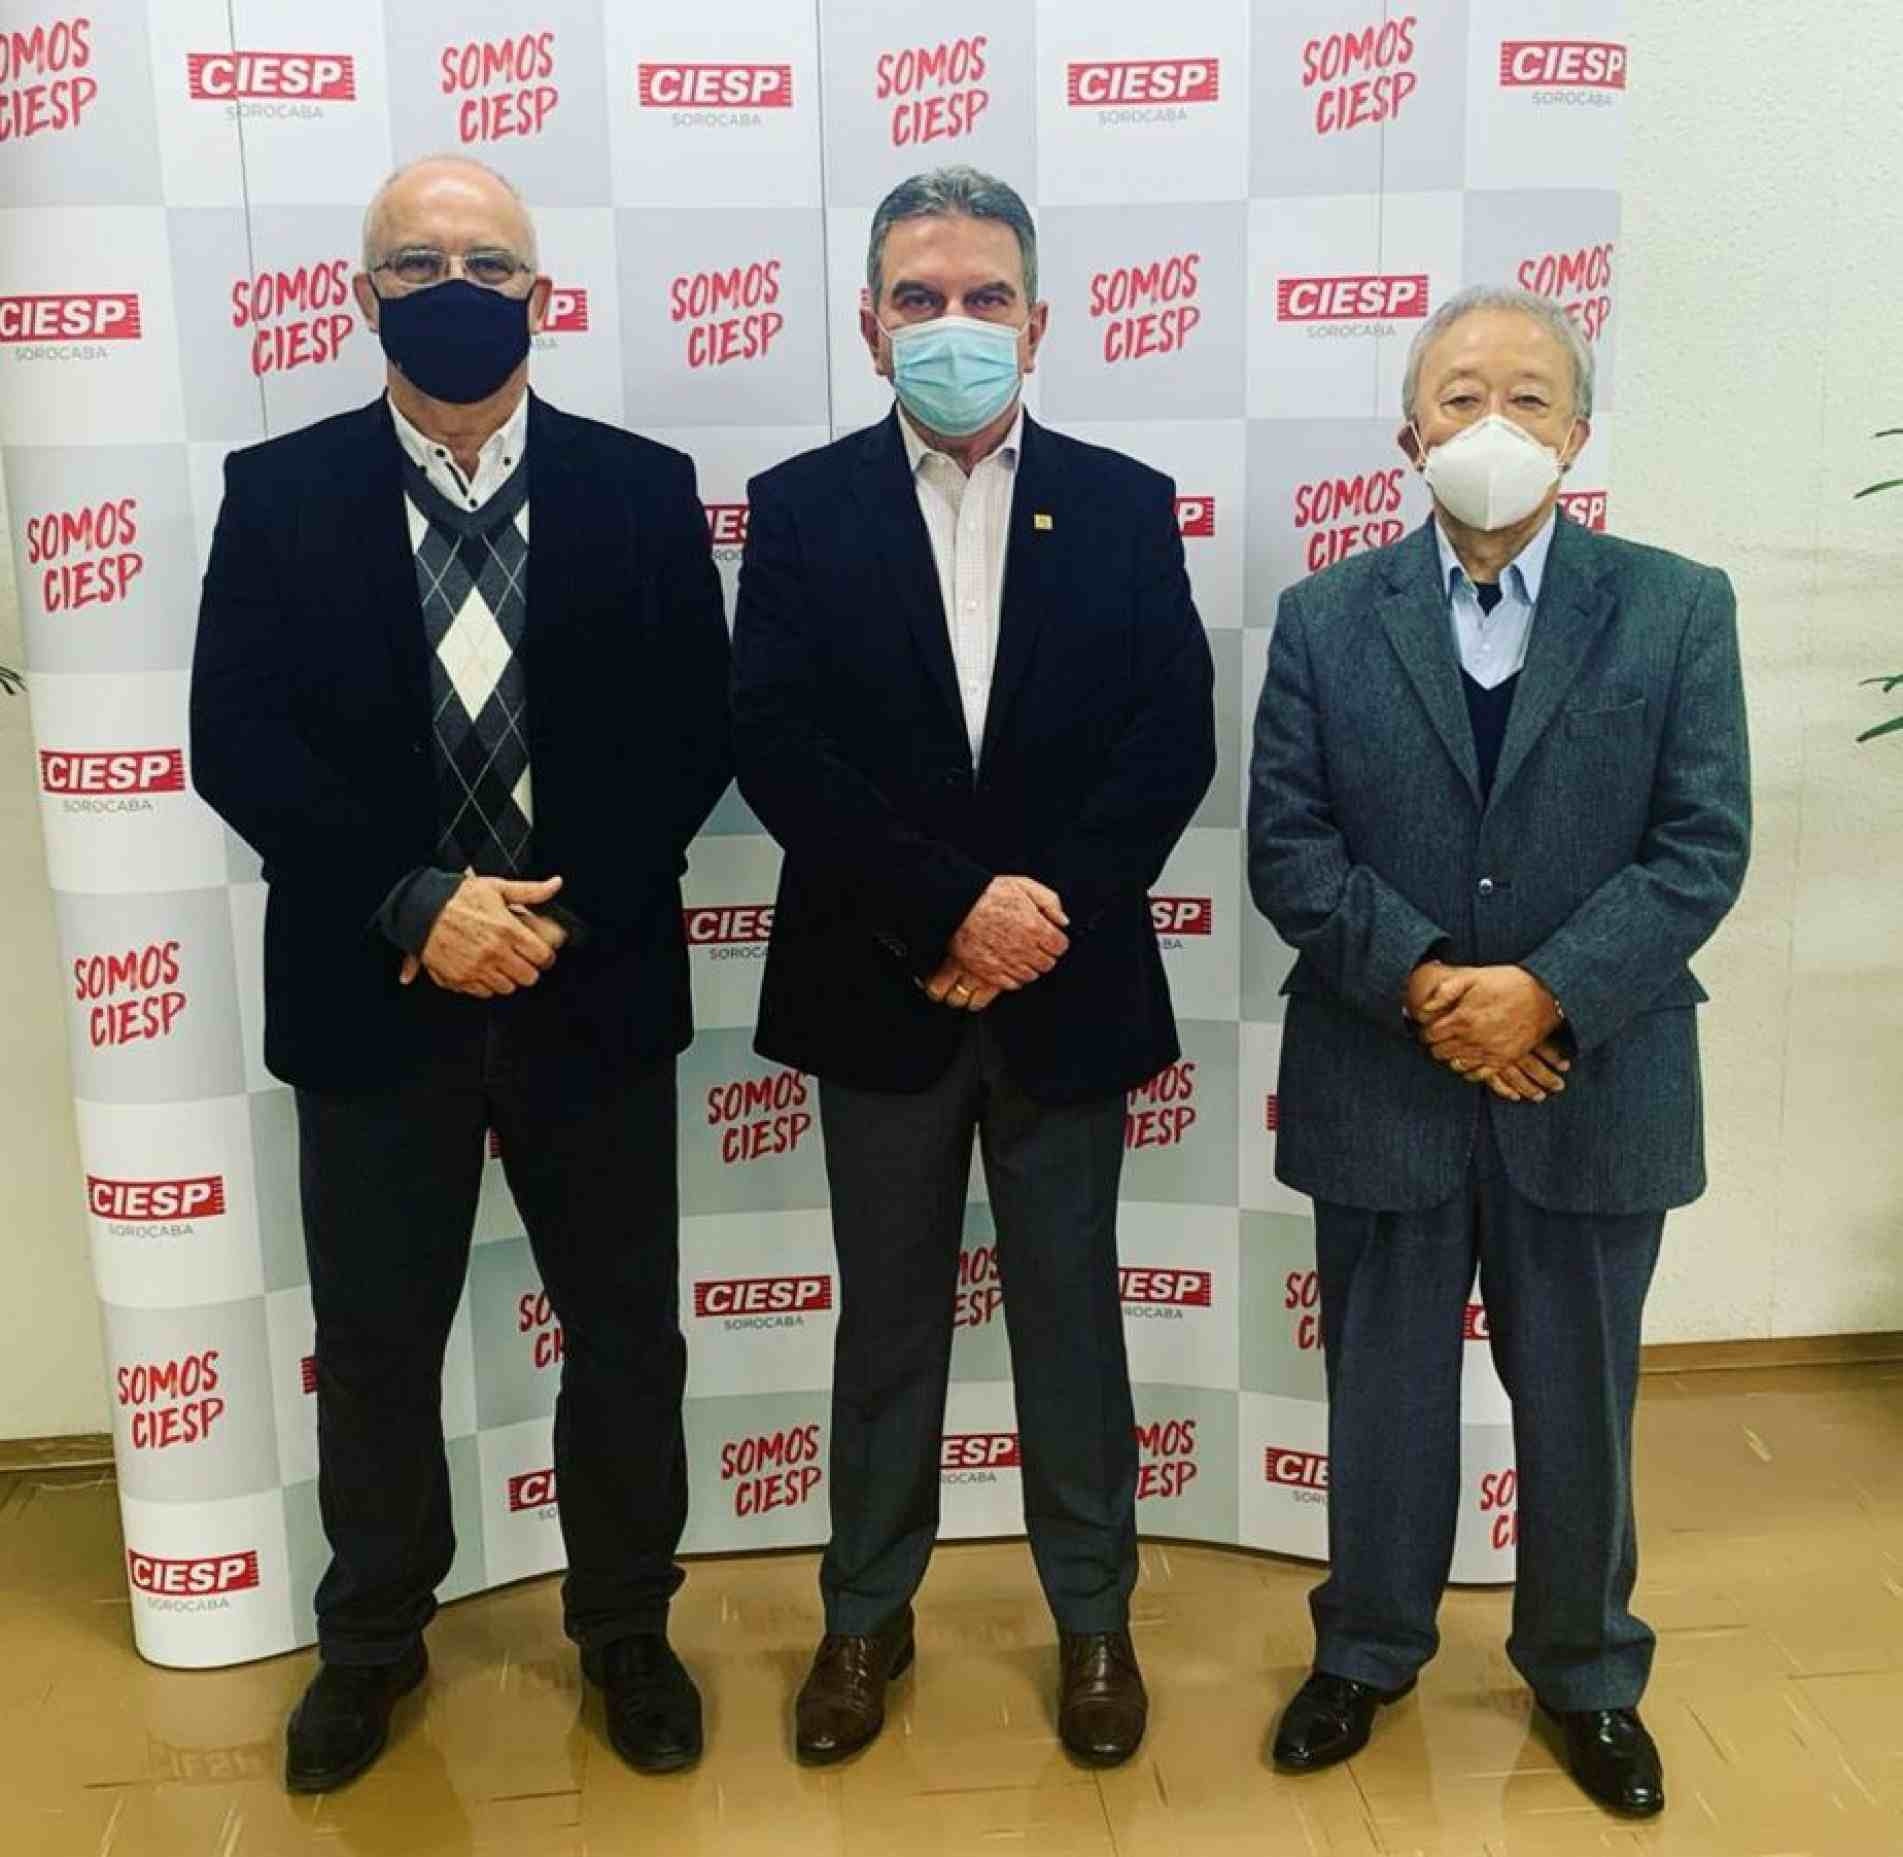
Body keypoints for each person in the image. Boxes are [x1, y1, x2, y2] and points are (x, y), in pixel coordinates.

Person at [190, 155, 732, 1791]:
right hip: (375, 999)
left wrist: (550, 917)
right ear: (362, 295)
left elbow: (694, 736)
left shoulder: (642, 490)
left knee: (625, 1340)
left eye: (487, 262)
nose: (455, 287)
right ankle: (371, 1639)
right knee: (374, 1347)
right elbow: (238, 741)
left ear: (540, 296)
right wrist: (418, 903)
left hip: (592, 990)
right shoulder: (277, 493)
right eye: (417, 261)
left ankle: (626, 1626)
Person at [731, 165, 1215, 1768]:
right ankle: (864, 1615)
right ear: (869, 327)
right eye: (920, 297)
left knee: (1075, 1322)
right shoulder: (801, 508)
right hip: (879, 987)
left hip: (1067, 994)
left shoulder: (1126, 503)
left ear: (1040, 320)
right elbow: (779, 748)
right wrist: (948, 914)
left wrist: (1029, 920)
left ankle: (1095, 1619)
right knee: (886, 1329)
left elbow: (1169, 743)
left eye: (985, 296)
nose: (955, 323)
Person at [1247, 285, 1750, 1818]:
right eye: (1460, 395)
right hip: (1382, 1073)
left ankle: (1587, 1670)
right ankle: (1367, 1648)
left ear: (1577, 433)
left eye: (1529, 397)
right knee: (1383, 1397)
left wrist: (1546, 993)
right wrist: (1433, 989)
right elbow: (1289, 844)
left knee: (1582, 1403)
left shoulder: (1677, 606)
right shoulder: (1328, 618)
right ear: (1410, 435)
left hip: (1594, 1076)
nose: (1494, 424)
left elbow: (1701, 845)